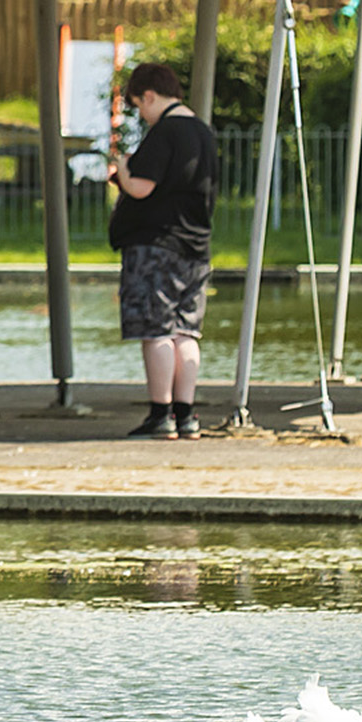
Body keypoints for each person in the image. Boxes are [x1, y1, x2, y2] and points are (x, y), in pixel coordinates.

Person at [108, 58, 218, 438]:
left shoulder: (166, 132)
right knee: (185, 332)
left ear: (150, 96)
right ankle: (187, 414)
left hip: (156, 245)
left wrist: (122, 170)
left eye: (140, 105)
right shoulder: (203, 133)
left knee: (156, 330)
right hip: (196, 247)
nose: (142, 114)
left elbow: (142, 187)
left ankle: (161, 413)